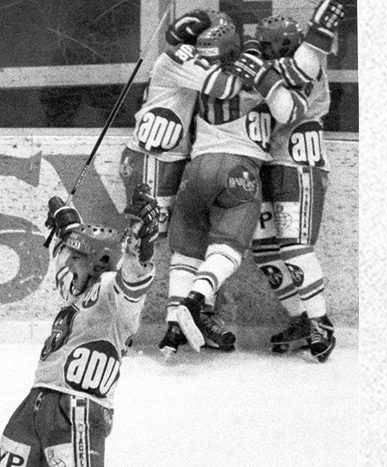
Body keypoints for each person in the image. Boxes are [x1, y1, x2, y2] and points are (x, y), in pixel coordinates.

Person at [159, 21, 314, 356]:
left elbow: (181, 70)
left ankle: (173, 327)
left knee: (186, 251)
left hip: (196, 170)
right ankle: (196, 299)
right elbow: (290, 109)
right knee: (227, 248)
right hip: (239, 170)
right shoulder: (267, 73)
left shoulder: (203, 74)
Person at [0, 184, 159, 467]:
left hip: (78, 410)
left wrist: (141, 244)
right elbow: (72, 253)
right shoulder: (76, 291)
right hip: (34, 405)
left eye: (75, 258)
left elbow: (135, 276)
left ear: (97, 264)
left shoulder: (111, 293)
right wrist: (66, 224)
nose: (67, 263)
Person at [249, 0, 345, 362]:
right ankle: (301, 318)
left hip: (299, 162)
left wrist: (319, 33)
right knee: (264, 249)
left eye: (267, 45)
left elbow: (292, 76)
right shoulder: (278, 66)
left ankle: (321, 322)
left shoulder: (307, 61)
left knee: (294, 247)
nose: (261, 50)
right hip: (269, 163)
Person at [119, 9, 241, 236]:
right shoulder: (181, 55)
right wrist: (250, 59)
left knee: (161, 236)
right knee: (147, 236)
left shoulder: (190, 58)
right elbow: (225, 87)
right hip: (154, 158)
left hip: (169, 158)